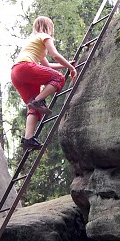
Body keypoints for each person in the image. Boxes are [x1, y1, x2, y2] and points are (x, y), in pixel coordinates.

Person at [10, 16, 77, 150]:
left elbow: (48, 66)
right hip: (25, 67)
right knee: (59, 78)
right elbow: (55, 55)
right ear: (49, 27)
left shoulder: (34, 41)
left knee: (34, 108)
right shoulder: (44, 36)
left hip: (16, 73)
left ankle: (28, 138)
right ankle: (38, 101)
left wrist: (67, 64)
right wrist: (71, 68)